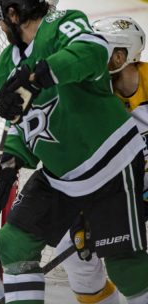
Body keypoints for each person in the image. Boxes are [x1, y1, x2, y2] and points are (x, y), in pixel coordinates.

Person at [0, 0, 148, 303]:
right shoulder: (4, 68)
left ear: (12, 14)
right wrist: (7, 168)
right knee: (14, 242)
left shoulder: (62, 25)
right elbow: (24, 125)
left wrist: (38, 76)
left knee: (126, 268)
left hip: (111, 161)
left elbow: (92, 52)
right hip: (61, 177)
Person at [54, 16, 148, 304]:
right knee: (65, 241)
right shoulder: (87, 93)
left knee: (130, 261)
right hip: (115, 187)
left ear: (123, 56)